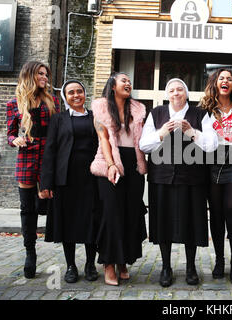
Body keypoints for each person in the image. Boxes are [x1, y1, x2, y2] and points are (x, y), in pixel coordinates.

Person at [139, 78, 217, 287]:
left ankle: (191, 267)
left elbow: (211, 145)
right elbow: (144, 145)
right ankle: (166, 267)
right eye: (172, 90)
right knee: (163, 223)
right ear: (167, 94)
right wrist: (161, 133)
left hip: (192, 179)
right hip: (162, 178)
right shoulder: (156, 114)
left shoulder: (201, 114)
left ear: (186, 93)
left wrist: (192, 132)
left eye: (180, 89)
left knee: (191, 223)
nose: (176, 93)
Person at [90, 72, 148, 286]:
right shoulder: (100, 107)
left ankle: (123, 260)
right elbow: (103, 138)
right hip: (110, 161)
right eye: (123, 80)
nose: (128, 83)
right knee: (111, 214)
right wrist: (112, 165)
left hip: (133, 163)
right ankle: (108, 264)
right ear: (112, 85)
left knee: (130, 213)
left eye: (130, 81)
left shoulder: (138, 109)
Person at [40, 80, 99, 283]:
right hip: (65, 180)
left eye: (79, 91)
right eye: (71, 92)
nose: (76, 95)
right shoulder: (58, 119)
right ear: (66, 96)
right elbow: (50, 152)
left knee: (92, 222)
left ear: (85, 94)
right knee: (68, 224)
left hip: (91, 179)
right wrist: (46, 183)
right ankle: (71, 266)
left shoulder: (95, 117)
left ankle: (90, 264)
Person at [6, 61, 60, 279]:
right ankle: (30, 253)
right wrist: (15, 139)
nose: (45, 77)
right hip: (27, 156)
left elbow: (58, 130)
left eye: (46, 74)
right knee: (27, 209)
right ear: (30, 75)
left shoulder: (52, 101)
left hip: (48, 157)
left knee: (44, 205)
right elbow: (9, 133)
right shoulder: (14, 103)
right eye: (40, 74)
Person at [200, 68, 232, 284]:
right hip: (212, 163)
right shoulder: (205, 109)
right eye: (222, 78)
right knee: (217, 213)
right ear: (216, 83)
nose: (225, 81)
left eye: (230, 79)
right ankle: (220, 261)